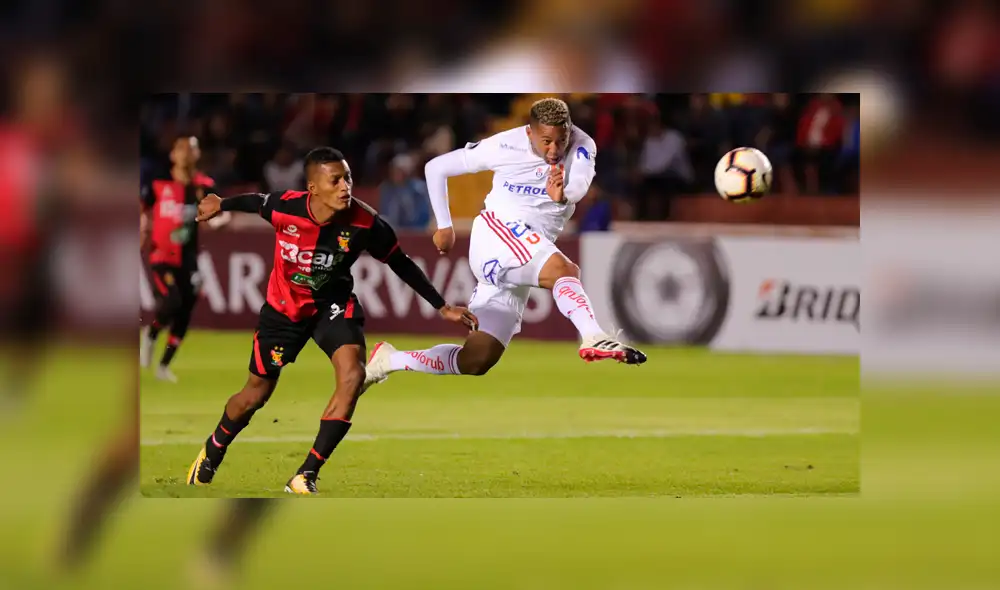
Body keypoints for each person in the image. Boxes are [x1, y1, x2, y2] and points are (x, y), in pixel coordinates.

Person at [189, 147, 477, 495]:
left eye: (349, 178)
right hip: (283, 313)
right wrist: (222, 203)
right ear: (313, 187)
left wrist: (441, 305)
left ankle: (305, 474)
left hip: (333, 306)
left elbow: (399, 262)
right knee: (255, 394)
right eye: (336, 180)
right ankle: (215, 447)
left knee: (353, 375)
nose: (346, 187)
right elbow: (256, 201)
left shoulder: (366, 222)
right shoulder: (286, 207)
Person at [364, 98, 646, 390]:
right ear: (529, 133)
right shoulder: (506, 145)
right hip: (497, 233)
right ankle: (593, 335)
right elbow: (437, 167)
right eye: (546, 141)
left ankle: (390, 360)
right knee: (564, 270)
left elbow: (580, 185)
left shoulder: (582, 145)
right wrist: (445, 225)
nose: (553, 150)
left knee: (476, 359)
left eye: (560, 141)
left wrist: (563, 195)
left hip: (526, 249)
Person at [140, 136, 214, 382]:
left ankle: (163, 366)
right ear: (172, 154)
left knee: (185, 311)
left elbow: (219, 212)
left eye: (191, 148)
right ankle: (150, 334)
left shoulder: (205, 185)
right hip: (162, 255)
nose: (185, 153)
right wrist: (142, 227)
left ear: (198, 154)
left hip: (190, 259)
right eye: (181, 148)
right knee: (171, 300)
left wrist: (220, 220)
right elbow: (143, 208)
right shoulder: (158, 183)